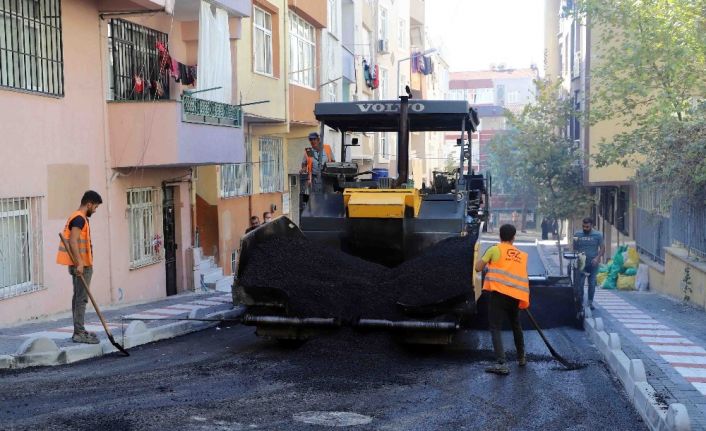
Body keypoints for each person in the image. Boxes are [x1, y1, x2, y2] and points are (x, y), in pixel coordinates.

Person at [474, 224, 530, 375]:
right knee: (516, 325)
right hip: (515, 296)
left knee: (495, 327)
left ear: (500, 235)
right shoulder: (521, 255)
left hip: (499, 295)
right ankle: (521, 358)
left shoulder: (494, 249)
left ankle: (501, 363)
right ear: (513, 237)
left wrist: (485, 263)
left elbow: (478, 268)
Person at [56, 190, 103, 344]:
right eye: (95, 207)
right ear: (88, 204)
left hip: (80, 264)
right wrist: (80, 263)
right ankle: (79, 333)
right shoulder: (79, 219)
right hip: (81, 266)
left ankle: (79, 330)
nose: (95, 210)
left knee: (78, 298)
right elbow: (73, 241)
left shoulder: (77, 217)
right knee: (81, 299)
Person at [573, 217, 605, 310]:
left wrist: (597, 258)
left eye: (587, 227)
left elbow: (602, 248)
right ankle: (581, 302)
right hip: (581, 263)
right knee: (580, 284)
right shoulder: (577, 234)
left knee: (592, 284)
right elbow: (574, 247)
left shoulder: (598, 235)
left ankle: (590, 302)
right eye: (583, 226)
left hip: (593, 263)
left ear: (592, 225)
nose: (585, 228)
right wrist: (577, 256)